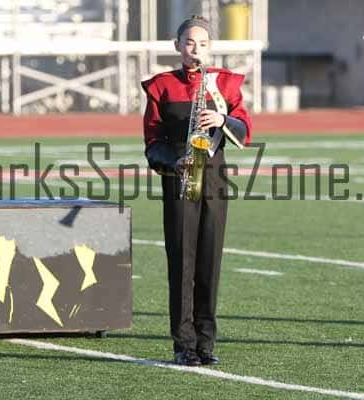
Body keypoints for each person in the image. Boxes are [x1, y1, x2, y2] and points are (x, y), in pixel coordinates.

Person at [141, 15, 252, 366]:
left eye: (203, 44)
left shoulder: (226, 83)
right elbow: (152, 142)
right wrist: (171, 163)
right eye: (189, 43)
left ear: (210, 48)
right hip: (180, 175)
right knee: (182, 261)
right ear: (177, 46)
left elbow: (245, 129)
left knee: (209, 260)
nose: (196, 50)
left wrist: (222, 120)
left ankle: (206, 343)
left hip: (214, 176)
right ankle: (183, 343)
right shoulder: (161, 86)